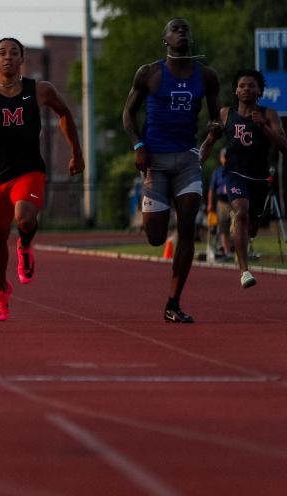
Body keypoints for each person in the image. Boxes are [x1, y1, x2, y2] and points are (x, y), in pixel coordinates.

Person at [0, 37, 83, 321]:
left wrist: (76, 152)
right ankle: (1, 291)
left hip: (29, 170)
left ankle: (25, 244)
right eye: (2, 53)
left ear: (22, 58)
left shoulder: (39, 90)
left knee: (24, 218)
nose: (8, 57)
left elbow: (64, 113)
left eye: (14, 53)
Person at [123, 17, 220, 323]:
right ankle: (157, 217)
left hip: (187, 159)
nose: (181, 32)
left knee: (188, 224)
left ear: (191, 38)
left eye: (186, 28)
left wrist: (215, 129)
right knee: (155, 236)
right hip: (155, 160)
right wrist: (138, 146)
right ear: (165, 39)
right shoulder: (149, 73)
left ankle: (173, 303)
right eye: (175, 29)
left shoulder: (206, 76)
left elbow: (216, 118)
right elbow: (128, 113)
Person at [201, 69, 287, 289]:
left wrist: (264, 127)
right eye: (242, 85)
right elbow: (210, 141)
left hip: (259, 178)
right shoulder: (225, 114)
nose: (246, 89)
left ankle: (242, 228)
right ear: (236, 91)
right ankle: (244, 271)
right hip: (234, 173)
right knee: (240, 212)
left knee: (253, 228)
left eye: (251, 85)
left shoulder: (269, 114)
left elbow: (283, 146)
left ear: (259, 91)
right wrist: (196, 163)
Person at [206, 148, 232, 260]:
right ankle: (227, 251)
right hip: (222, 202)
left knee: (236, 227)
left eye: (227, 157)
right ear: (221, 158)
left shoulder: (234, 170)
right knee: (223, 227)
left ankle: (235, 250)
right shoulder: (217, 172)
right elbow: (211, 189)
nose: (225, 159)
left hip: (233, 202)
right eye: (224, 157)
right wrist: (210, 204)